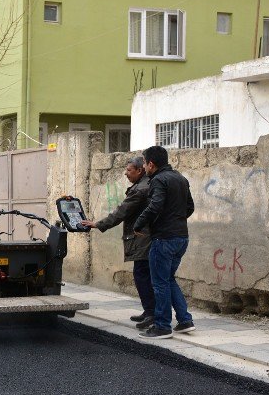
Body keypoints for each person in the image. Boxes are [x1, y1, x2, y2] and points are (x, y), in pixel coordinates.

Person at [132, 145, 196, 339]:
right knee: (168, 278)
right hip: (181, 238)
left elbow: (155, 206)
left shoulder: (158, 180)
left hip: (163, 239)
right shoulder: (181, 178)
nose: (143, 166)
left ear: (151, 164)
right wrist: (175, 220)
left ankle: (162, 326)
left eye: (144, 163)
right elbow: (190, 207)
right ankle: (185, 320)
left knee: (159, 282)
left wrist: (139, 224)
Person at [81, 157, 154, 324]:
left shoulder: (140, 189)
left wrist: (98, 224)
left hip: (143, 239)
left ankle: (152, 314)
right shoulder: (145, 185)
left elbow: (122, 212)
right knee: (145, 275)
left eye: (129, 170)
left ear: (140, 170)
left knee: (143, 275)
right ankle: (149, 311)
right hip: (146, 238)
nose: (126, 173)